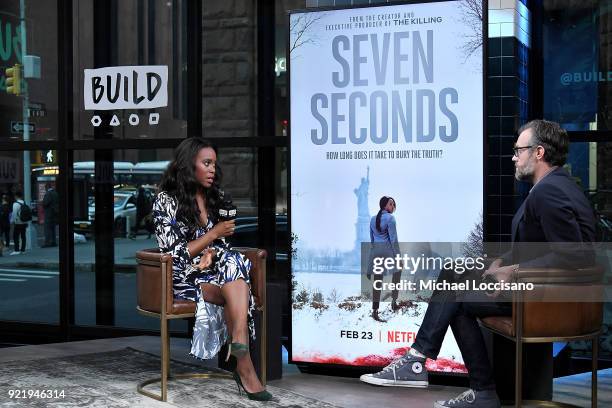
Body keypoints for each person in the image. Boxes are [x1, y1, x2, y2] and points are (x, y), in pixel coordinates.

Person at [360, 120, 596, 408]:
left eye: (518, 150)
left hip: (544, 300)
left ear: (539, 153)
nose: (513, 157)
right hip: (540, 290)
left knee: (457, 301)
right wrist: (501, 261)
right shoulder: (556, 185)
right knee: (453, 271)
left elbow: (576, 255)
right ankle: (421, 361)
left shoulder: (550, 192)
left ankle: (469, 385)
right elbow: (545, 246)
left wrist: (514, 271)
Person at [152, 137, 272, 401]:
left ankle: (238, 341)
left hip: (216, 272)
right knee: (238, 280)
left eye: (214, 164)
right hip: (181, 277)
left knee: (234, 260)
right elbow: (173, 254)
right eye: (206, 163)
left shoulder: (217, 198)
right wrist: (213, 235)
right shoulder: (165, 200)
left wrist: (213, 252)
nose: (212, 170)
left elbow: (224, 246)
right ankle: (245, 364)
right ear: (187, 165)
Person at [368, 196, 402, 322]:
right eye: (391, 204)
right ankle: (394, 302)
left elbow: (372, 241)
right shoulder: (391, 219)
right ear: (384, 206)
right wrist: (398, 257)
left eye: (393, 204)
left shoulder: (372, 219)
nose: (393, 206)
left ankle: (375, 310)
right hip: (388, 253)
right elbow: (394, 241)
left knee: (377, 280)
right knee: (398, 271)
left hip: (377, 253)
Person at [10, 191, 28, 255]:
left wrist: (12, 221)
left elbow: (14, 214)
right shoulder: (24, 202)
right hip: (24, 222)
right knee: (23, 236)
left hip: (18, 222)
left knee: (16, 236)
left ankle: (16, 250)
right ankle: (23, 250)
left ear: (16, 196)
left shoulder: (15, 204)